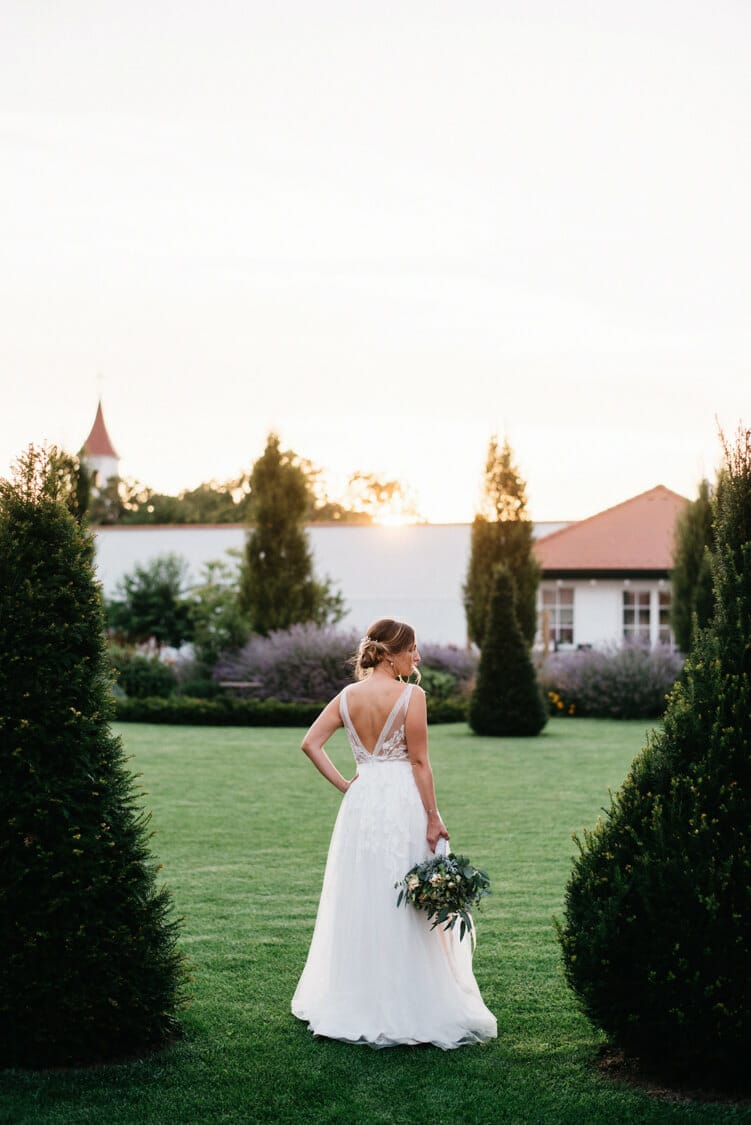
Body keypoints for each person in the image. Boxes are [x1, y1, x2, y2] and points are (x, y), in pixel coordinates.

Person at [291, 618, 497, 1049]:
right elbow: (420, 762)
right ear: (389, 654)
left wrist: (347, 785)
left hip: (362, 803)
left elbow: (311, 743)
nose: (417, 657)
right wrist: (433, 816)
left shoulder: (347, 696)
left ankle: (357, 996)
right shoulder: (411, 696)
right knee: (407, 899)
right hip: (402, 802)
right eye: (412, 649)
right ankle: (412, 997)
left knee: (363, 893)